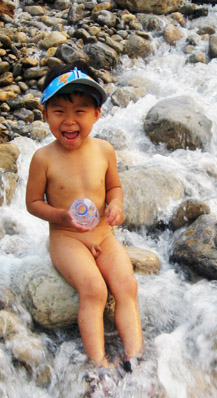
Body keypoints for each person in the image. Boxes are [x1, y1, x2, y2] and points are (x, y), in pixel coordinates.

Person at [26, 61, 142, 371]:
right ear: (45, 114)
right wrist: (62, 216)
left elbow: (114, 187)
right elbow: (33, 203)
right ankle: (99, 364)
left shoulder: (104, 150)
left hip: (103, 234)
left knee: (127, 286)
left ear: (96, 114)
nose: (69, 121)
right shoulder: (43, 158)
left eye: (79, 111)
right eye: (59, 111)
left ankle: (135, 357)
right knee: (95, 290)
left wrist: (115, 205)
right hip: (68, 240)